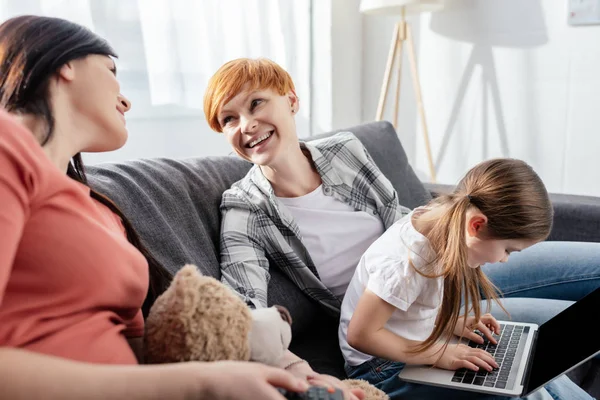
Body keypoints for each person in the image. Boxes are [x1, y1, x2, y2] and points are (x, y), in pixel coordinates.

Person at [0, 15, 341, 400]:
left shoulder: (102, 211)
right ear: (66, 65)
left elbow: (139, 352)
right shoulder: (7, 146)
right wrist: (202, 383)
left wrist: (285, 371)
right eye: (111, 70)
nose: (125, 100)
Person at [203, 57, 599, 389]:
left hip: (441, 279)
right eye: (228, 120)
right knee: (542, 358)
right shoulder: (245, 211)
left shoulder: (344, 150)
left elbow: (401, 222)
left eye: (256, 103)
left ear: (291, 100)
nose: (246, 125)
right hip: (387, 316)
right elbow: (247, 316)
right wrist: (302, 376)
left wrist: (445, 309)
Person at [338, 158, 592, 399]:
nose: (504, 260)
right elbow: (361, 335)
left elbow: (410, 308)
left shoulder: (443, 219)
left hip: (412, 343)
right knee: (519, 391)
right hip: (379, 369)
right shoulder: (405, 263)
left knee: (528, 365)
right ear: (477, 225)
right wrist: (438, 353)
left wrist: (448, 323)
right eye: (508, 250)